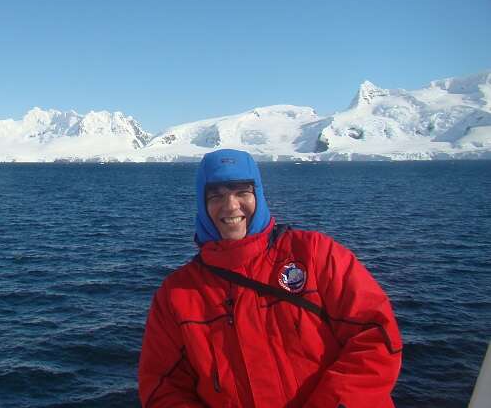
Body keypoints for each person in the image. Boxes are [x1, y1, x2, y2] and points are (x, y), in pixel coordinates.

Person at [138, 149, 402, 408]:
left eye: (242, 192)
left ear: (259, 195)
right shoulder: (177, 293)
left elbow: (375, 335)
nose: (230, 206)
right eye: (216, 195)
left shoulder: (315, 254)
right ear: (201, 203)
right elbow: (162, 386)